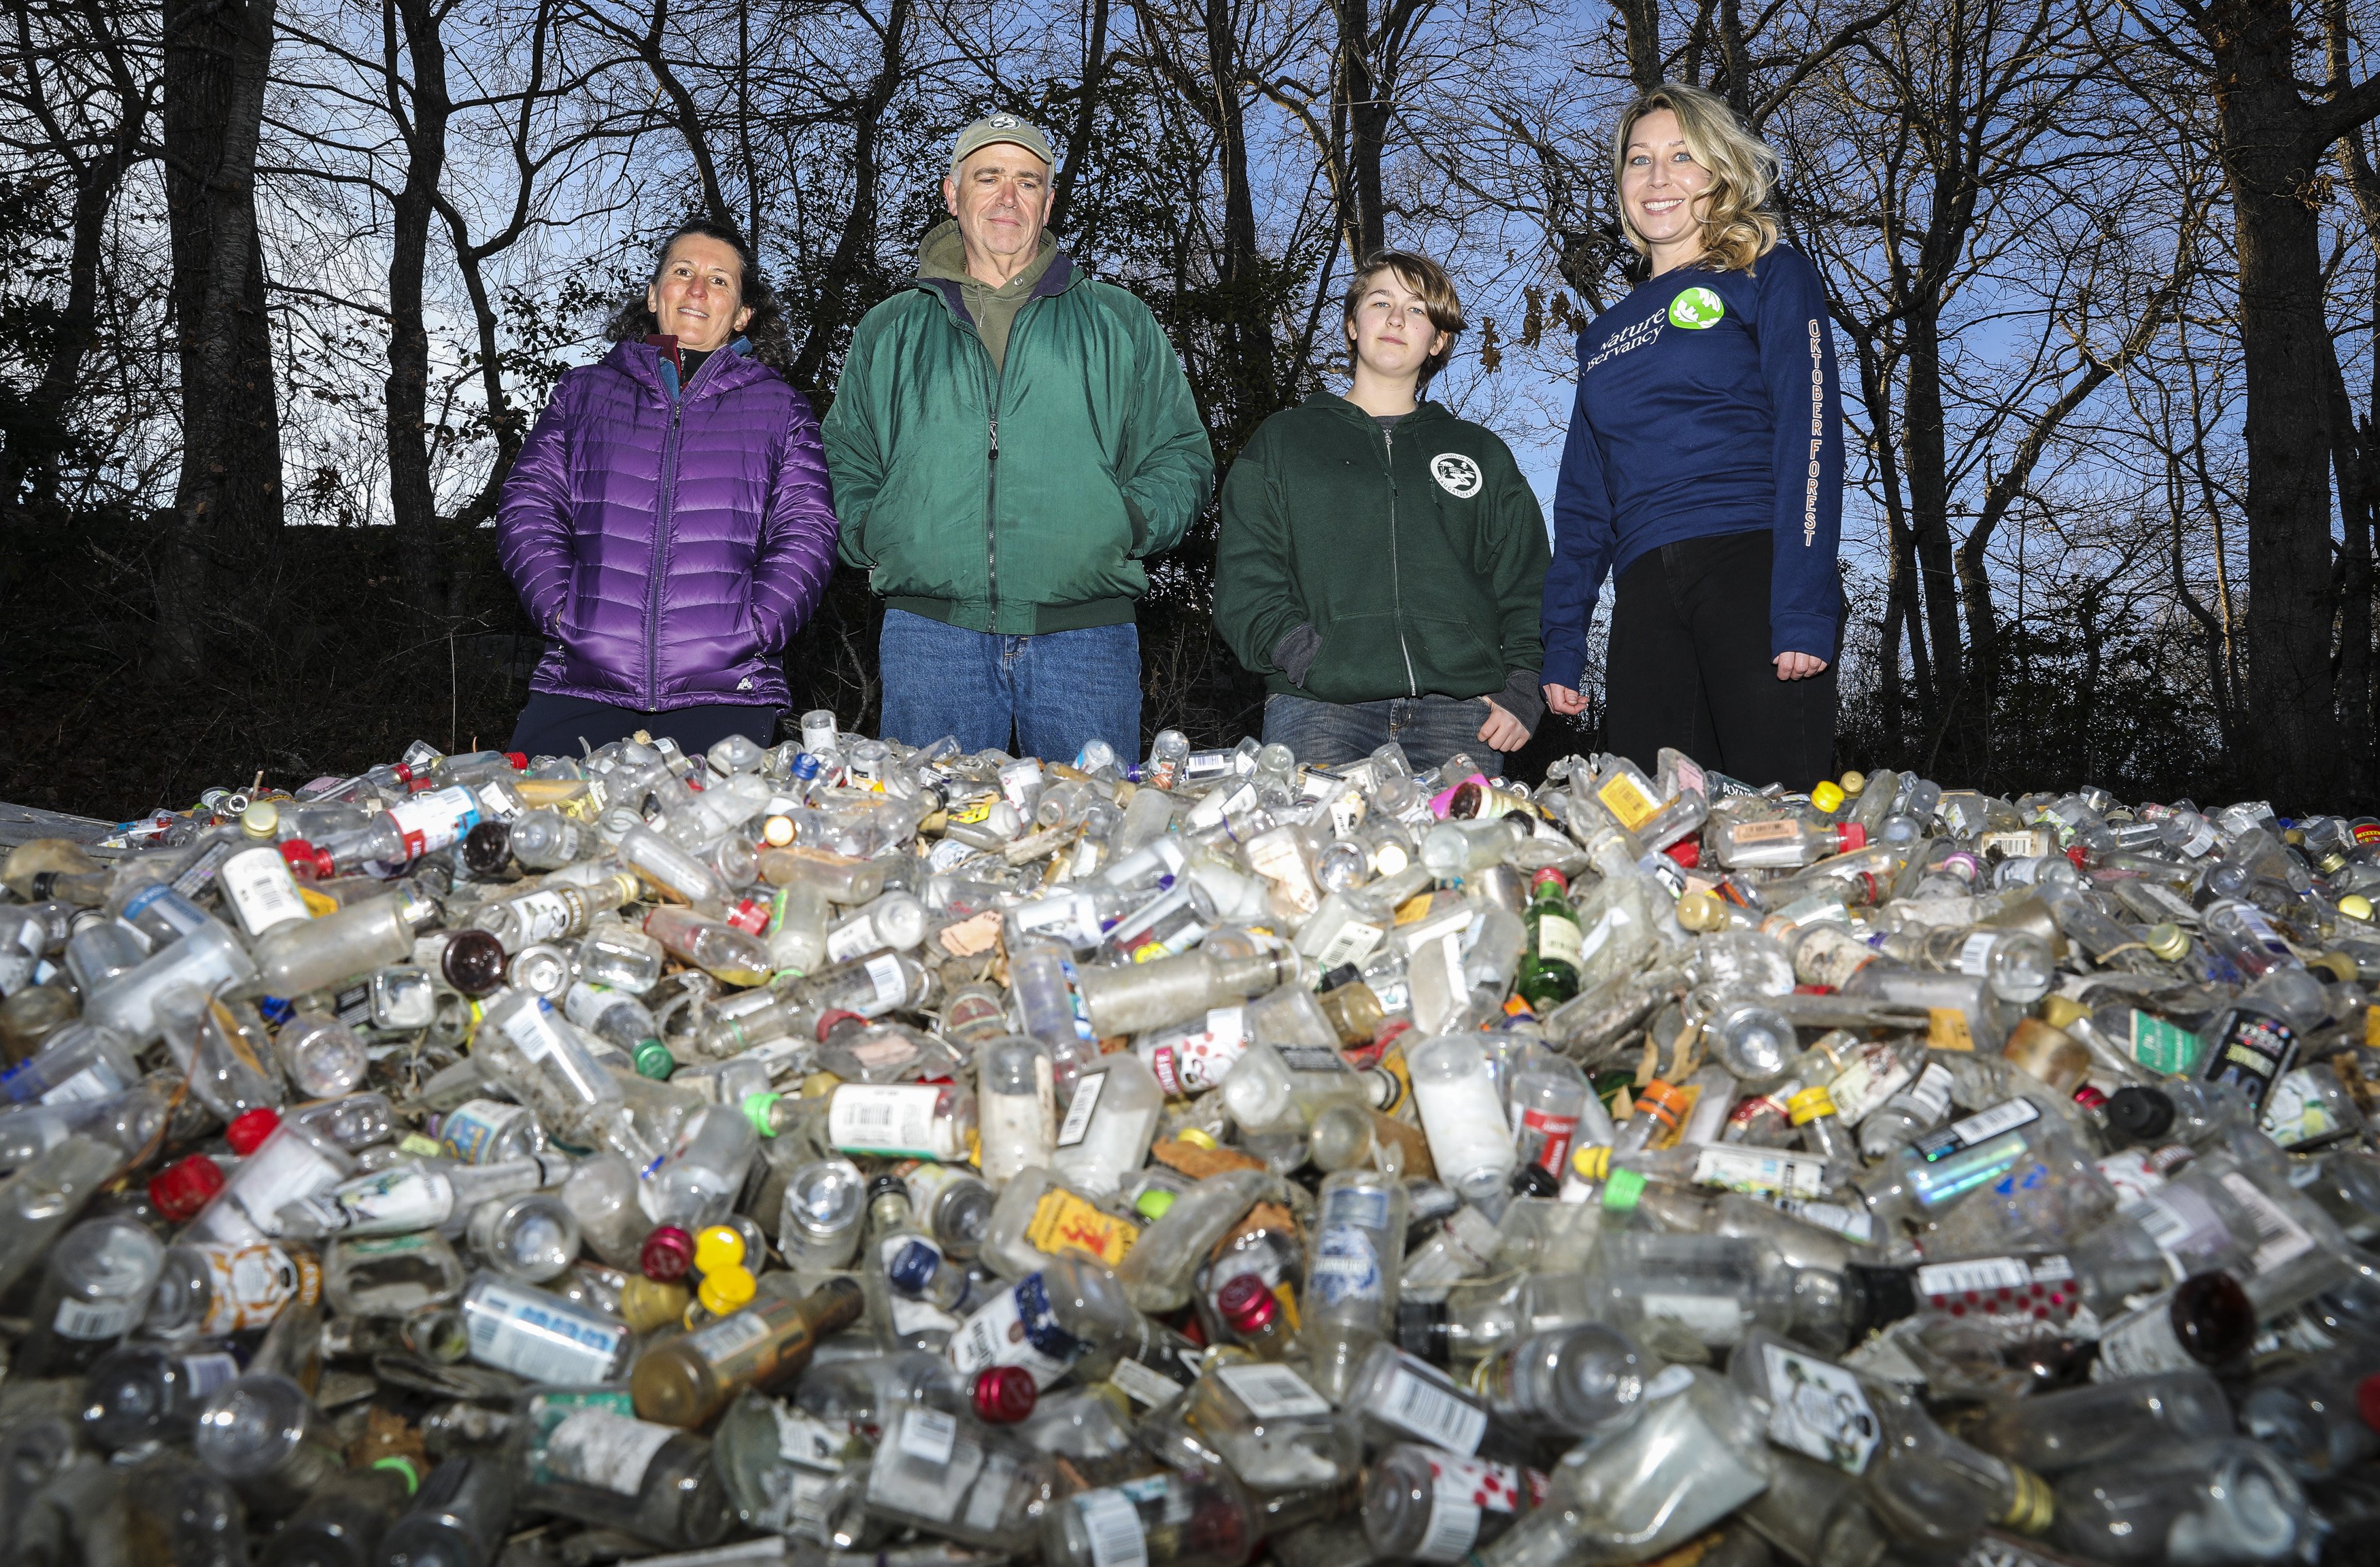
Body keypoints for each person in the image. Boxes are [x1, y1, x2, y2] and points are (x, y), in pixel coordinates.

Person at [822, 114, 1214, 763]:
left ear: (1048, 201)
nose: (1008, 197)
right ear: (952, 193)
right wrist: (871, 529)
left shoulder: (1120, 320)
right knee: (932, 837)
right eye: (989, 177)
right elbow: (845, 456)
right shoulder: (889, 329)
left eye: (1027, 182)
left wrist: (1125, 522)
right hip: (930, 633)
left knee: (1091, 847)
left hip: (1086, 633)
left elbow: (1179, 453)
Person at [1540, 81, 1843, 790]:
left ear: (1720, 172)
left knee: (1771, 826)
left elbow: (1810, 434)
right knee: (1655, 836)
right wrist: (1561, 641)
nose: (1657, 178)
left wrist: (1802, 603)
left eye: (1681, 156)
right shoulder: (1602, 334)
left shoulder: (1768, 273)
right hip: (1644, 596)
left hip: (1752, 569)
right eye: (1638, 160)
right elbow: (1584, 502)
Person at [496, 220, 837, 761]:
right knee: (549, 834)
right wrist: (562, 611)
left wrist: (757, 626)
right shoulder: (583, 392)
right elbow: (527, 507)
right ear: (655, 296)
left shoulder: (781, 409)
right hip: (581, 682)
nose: (698, 289)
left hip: (725, 689)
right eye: (683, 272)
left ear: (744, 313)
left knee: (705, 843)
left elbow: (808, 530)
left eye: (720, 280)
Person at [1213, 250, 1550, 774]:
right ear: (1352, 324)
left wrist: (1524, 687)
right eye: (1381, 302)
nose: (1397, 318)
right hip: (1320, 706)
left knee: (1463, 856)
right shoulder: (1285, 440)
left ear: (1438, 340)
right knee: (1311, 855)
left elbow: (1527, 579)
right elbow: (1246, 571)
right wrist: (1305, 656)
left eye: (1417, 310)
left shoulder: (1480, 454)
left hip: (1462, 717)